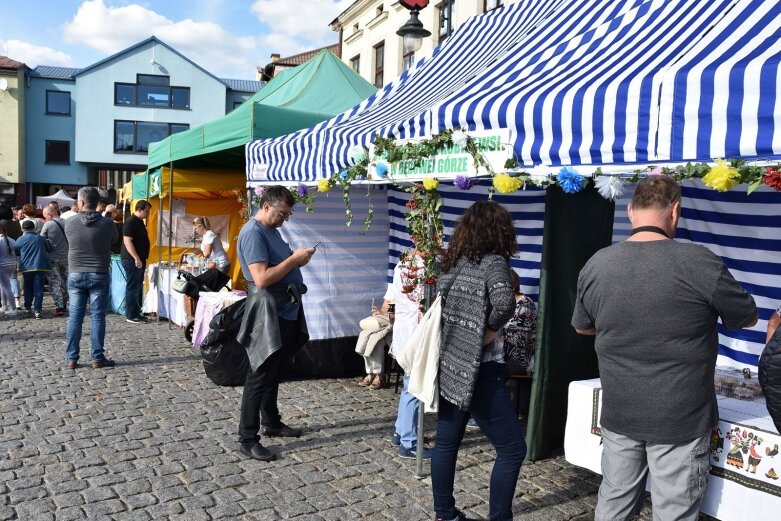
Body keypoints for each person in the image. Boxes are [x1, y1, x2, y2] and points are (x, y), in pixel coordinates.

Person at [571, 175, 758, 521]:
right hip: (680, 419)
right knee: (673, 513)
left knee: (613, 504)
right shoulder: (699, 262)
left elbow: (583, 325)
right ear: (675, 211)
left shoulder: (597, 264)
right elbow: (746, 317)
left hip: (622, 410)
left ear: (630, 211)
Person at [432, 200, 526, 521]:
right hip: (482, 369)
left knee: (446, 444)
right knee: (513, 450)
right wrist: (488, 328)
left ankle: (445, 514)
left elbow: (434, 305)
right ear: (500, 230)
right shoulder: (494, 262)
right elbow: (505, 304)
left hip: (450, 363)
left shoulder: (451, 263)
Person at [235, 185, 313, 462]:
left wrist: (296, 262)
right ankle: (247, 438)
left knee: (274, 369)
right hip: (268, 310)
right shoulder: (253, 233)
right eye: (282, 213)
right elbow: (262, 279)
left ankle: (271, 422)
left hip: (284, 309)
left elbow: (280, 269)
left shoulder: (271, 231)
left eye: (288, 215)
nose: (285, 219)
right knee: (260, 373)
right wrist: (293, 260)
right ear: (266, 206)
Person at [64, 186, 118, 370]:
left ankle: (72, 358)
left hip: (76, 272)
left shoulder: (70, 223)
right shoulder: (108, 224)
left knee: (75, 318)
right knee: (97, 317)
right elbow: (113, 240)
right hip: (99, 273)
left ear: (80, 202)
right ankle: (97, 358)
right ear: (97, 204)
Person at [388, 251, 432, 459]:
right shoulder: (419, 268)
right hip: (414, 332)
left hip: (405, 329)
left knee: (409, 384)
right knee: (413, 386)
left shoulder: (402, 263)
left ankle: (400, 430)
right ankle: (409, 442)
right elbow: (423, 300)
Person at [355, 287, 392, 391]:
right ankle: (371, 372)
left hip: (395, 325)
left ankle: (379, 374)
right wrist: (378, 311)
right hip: (385, 322)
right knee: (366, 335)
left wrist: (388, 315)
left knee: (376, 340)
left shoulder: (406, 290)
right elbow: (385, 309)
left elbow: (394, 313)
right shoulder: (392, 288)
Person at [14, 220, 52, 319]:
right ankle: (37, 311)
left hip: (26, 267)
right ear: (34, 228)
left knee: (28, 288)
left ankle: (27, 308)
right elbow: (49, 248)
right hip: (40, 266)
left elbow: (16, 252)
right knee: (38, 289)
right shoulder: (40, 238)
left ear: (22, 229)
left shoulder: (20, 239)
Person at [121, 200, 151, 324]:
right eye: (147, 211)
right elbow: (128, 241)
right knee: (132, 287)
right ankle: (131, 314)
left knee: (137, 287)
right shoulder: (131, 221)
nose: (148, 214)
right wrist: (136, 258)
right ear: (139, 209)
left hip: (138, 259)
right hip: (131, 259)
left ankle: (136, 312)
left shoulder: (138, 222)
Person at [41, 206, 69, 316]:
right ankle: (65, 303)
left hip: (52, 258)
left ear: (50, 215)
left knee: (54, 282)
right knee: (65, 280)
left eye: (46, 217)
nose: (46, 219)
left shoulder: (48, 224)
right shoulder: (67, 222)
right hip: (66, 256)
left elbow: (41, 239)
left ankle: (59, 307)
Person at [0, 204, 22, 307]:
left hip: (3, 255)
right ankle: (16, 300)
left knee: (3, 283)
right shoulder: (16, 224)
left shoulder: (1, 224)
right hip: (14, 253)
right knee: (14, 278)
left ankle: (4, 304)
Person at [0, 224, 18, 317]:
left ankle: (14, 308)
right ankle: (4, 306)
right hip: (12, 264)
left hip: (2, 265)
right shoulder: (11, 239)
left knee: (6, 287)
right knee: (3, 286)